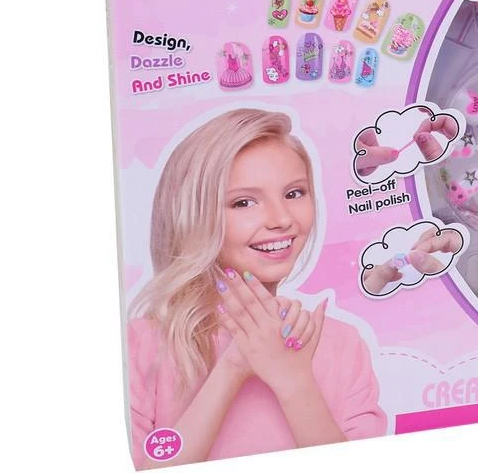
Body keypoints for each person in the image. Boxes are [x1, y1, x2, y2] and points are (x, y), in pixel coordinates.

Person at [128, 109, 385, 467]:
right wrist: (233, 366)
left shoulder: (342, 344)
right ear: (191, 214)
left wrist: (294, 382)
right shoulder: (141, 346)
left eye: (294, 193)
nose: (281, 219)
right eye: (243, 202)